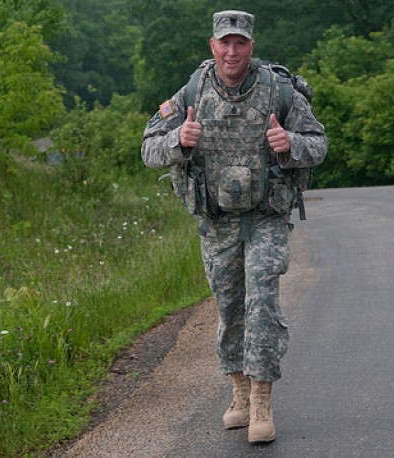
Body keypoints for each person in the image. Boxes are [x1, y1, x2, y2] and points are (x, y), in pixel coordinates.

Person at [141, 10, 327, 443]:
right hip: (217, 219)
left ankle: (262, 400)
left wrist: (291, 144)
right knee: (229, 306)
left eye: (240, 42)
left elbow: (318, 143)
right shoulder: (191, 92)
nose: (231, 51)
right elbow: (148, 149)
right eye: (224, 42)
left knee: (261, 298)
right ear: (212, 46)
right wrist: (178, 142)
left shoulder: (279, 91)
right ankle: (239, 393)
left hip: (266, 216)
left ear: (251, 47)